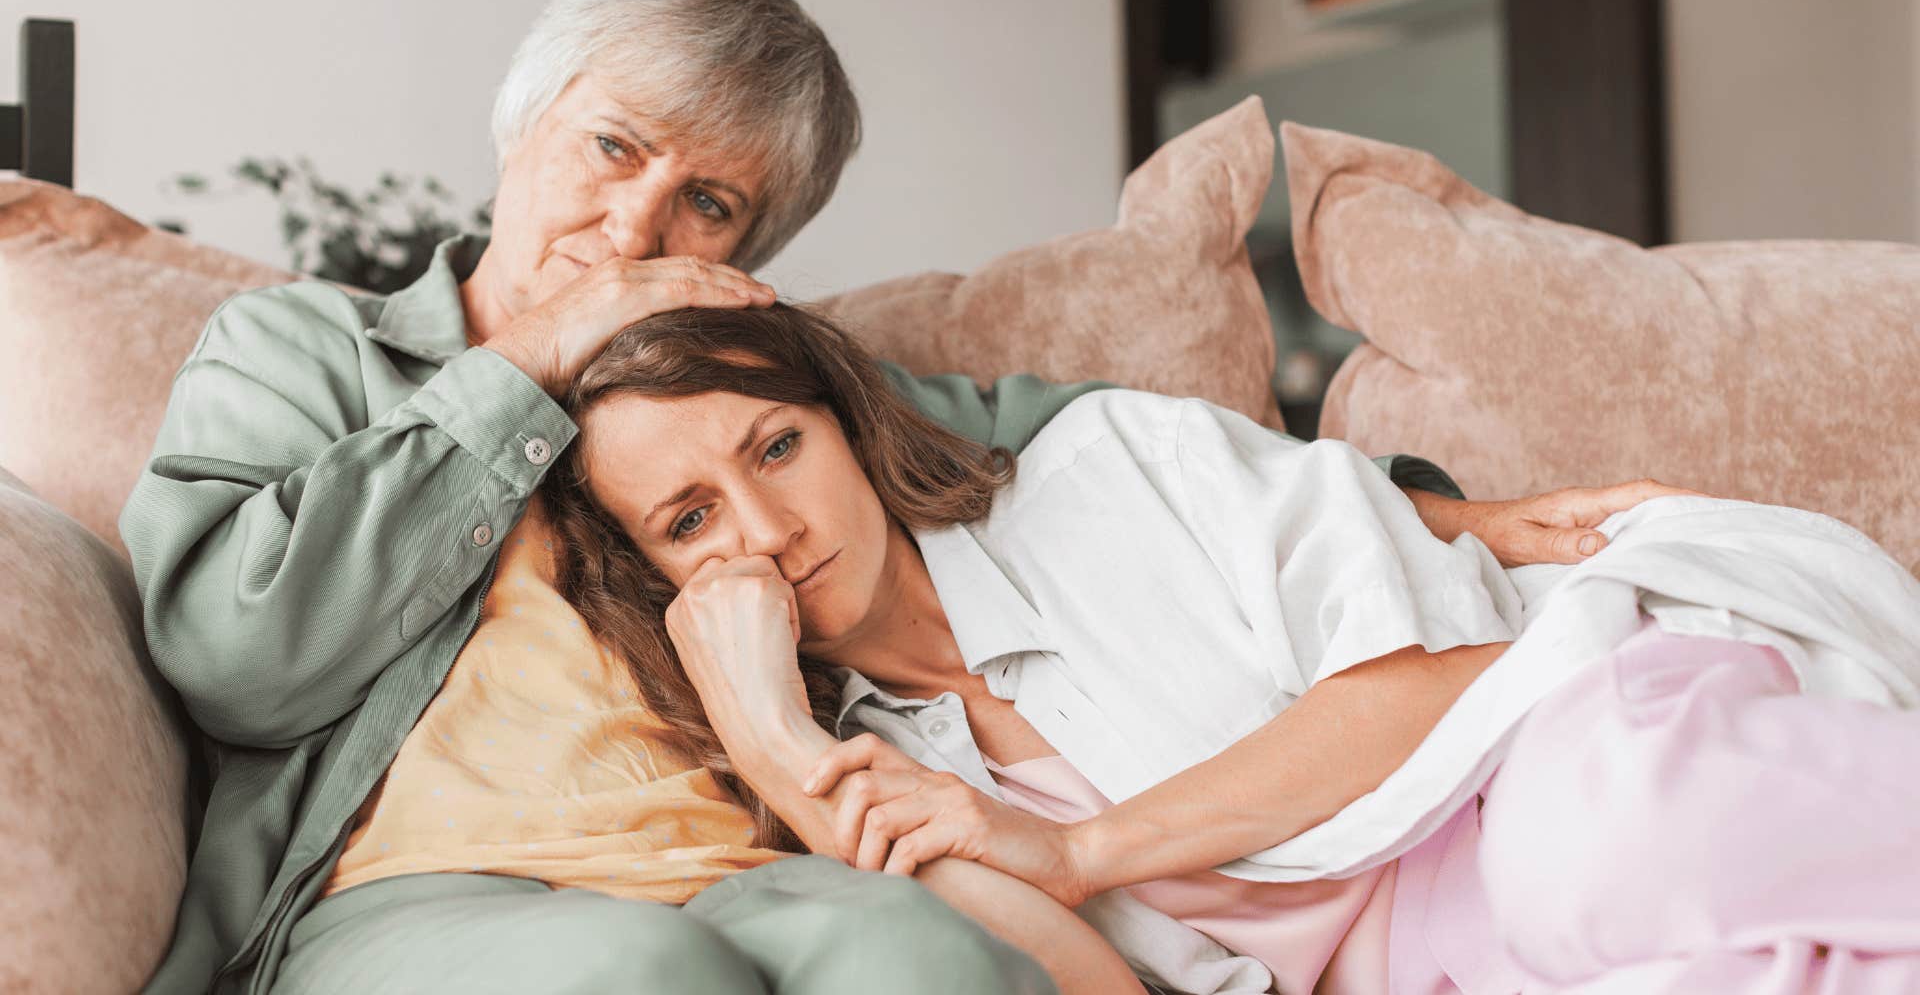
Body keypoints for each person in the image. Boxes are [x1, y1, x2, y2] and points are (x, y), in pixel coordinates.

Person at [122, 0, 1669, 995]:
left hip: (737, 861)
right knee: (635, 975)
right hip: (398, 895)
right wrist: (523, 364)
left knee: (918, 958)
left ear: (755, 251)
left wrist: (1444, 509)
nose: (641, 229)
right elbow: (231, 658)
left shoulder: (739, 371)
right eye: (613, 148)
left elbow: (1017, 422)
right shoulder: (307, 355)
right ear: (528, 123)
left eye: (711, 205)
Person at [543, 301, 1920, 994]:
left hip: (1556, 744)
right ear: (654, 579)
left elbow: (1432, 679)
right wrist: (776, 744)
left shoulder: (1104, 467)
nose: (771, 525)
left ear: (842, 420)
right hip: (1442, 966)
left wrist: (1083, 848)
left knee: (1592, 851)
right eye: (692, 519)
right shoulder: (870, 786)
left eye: (777, 445)